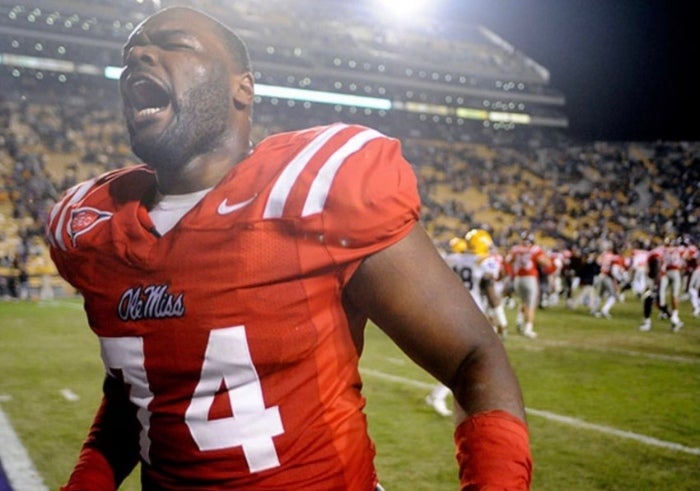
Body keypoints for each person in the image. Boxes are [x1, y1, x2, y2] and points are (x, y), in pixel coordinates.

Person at [46, 6, 531, 491]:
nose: (140, 56)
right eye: (131, 54)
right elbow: (140, 392)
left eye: (175, 43)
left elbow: (473, 357)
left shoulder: (316, 190)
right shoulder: (98, 225)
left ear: (244, 87)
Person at [426, 229, 509, 417]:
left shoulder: (453, 259)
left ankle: (448, 395)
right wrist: (501, 320)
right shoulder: (483, 262)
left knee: (468, 359)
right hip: (470, 315)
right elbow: (490, 291)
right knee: (468, 360)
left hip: (450, 310)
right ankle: (439, 395)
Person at [506, 232, 555, 338]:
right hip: (529, 278)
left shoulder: (516, 249)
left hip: (518, 279)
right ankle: (528, 329)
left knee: (523, 301)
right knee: (530, 304)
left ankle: (519, 319)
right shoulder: (535, 249)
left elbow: (508, 261)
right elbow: (547, 263)